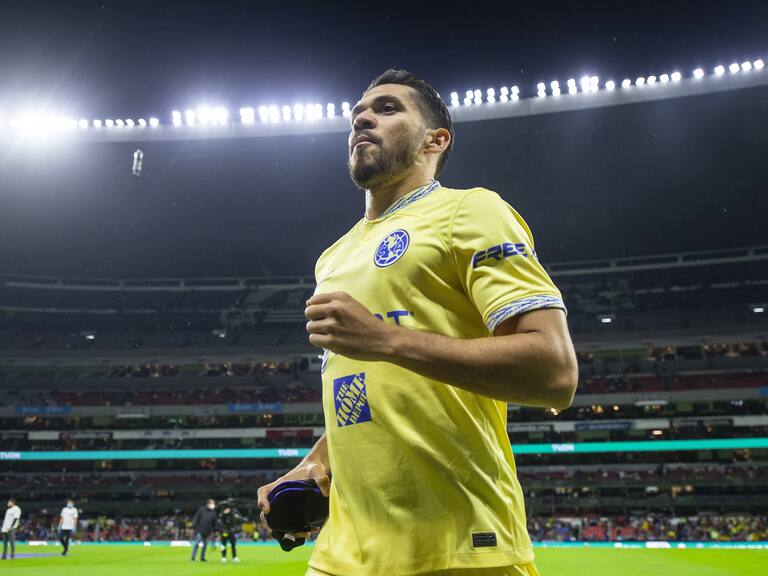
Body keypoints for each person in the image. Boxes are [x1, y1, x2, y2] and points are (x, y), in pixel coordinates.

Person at [257, 69, 578, 576]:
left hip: (459, 549)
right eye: (358, 112)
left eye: (387, 109)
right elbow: (364, 390)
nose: (363, 117)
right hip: (340, 555)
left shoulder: (470, 210)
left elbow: (554, 373)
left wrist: (385, 339)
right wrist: (317, 461)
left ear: (436, 138)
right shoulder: (333, 257)